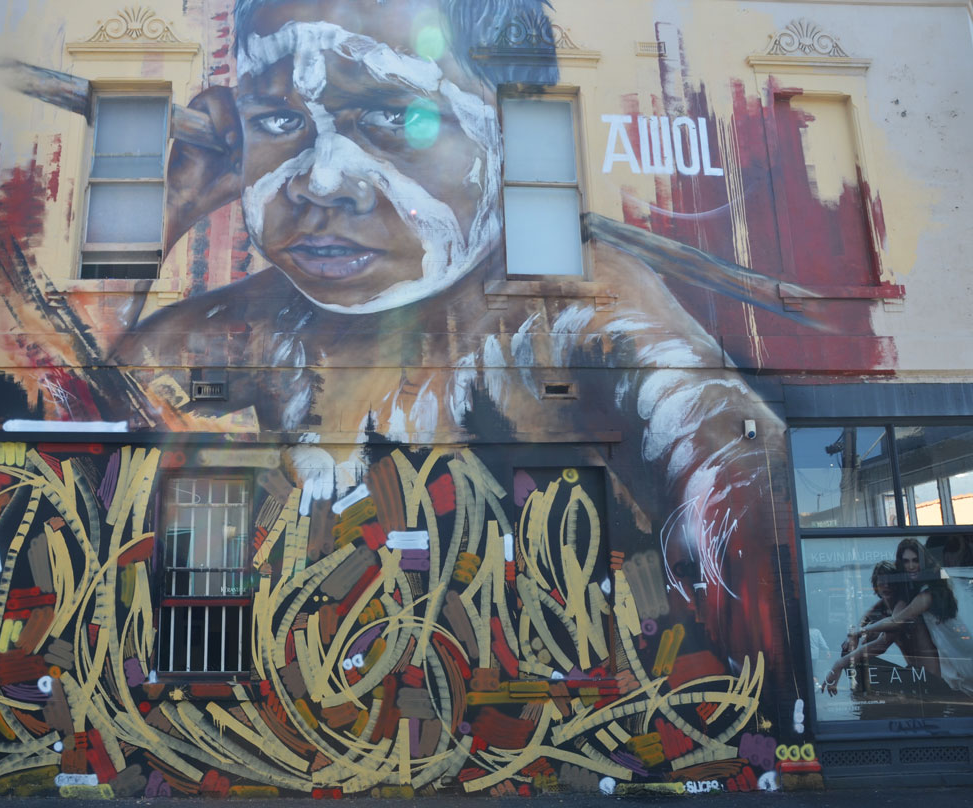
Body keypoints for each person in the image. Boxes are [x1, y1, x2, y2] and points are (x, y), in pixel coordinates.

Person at [111, 0, 792, 639]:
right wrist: (175, 200)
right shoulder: (251, 323)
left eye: (392, 116)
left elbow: (740, 484)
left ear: (511, 133)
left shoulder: (572, 308)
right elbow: (66, 424)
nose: (319, 181)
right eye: (279, 122)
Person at [853, 539, 973, 697]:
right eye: (906, 561)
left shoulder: (927, 594)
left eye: (915, 560)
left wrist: (861, 630)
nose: (910, 566)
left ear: (923, 561)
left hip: (962, 653)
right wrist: (862, 623)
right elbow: (881, 605)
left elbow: (897, 621)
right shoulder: (920, 590)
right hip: (955, 656)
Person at [821, 560, 906, 695]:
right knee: (849, 647)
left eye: (891, 581)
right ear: (876, 584)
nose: (887, 585)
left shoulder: (902, 605)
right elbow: (866, 617)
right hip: (908, 671)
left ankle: (862, 691)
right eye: (882, 581)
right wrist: (853, 635)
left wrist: (838, 664)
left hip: (924, 678)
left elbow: (882, 643)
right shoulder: (884, 604)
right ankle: (860, 691)